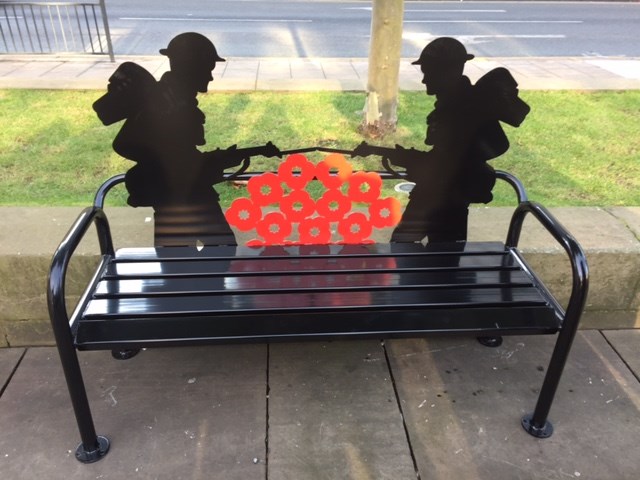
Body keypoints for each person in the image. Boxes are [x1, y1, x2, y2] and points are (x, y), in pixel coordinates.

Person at [93, 32, 279, 246]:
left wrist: (236, 155)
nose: (210, 77)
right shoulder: (170, 107)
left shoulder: (174, 102)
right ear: (192, 69)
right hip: (184, 199)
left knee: (182, 260)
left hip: (178, 197)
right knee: (217, 251)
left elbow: (183, 156)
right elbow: (180, 159)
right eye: (208, 69)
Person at [388, 37, 530, 243]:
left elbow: (446, 162)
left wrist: (408, 159)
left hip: (442, 196)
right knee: (446, 253)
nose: (424, 80)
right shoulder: (459, 105)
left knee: (405, 247)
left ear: (446, 72)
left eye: (429, 72)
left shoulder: (459, 110)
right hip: (449, 195)